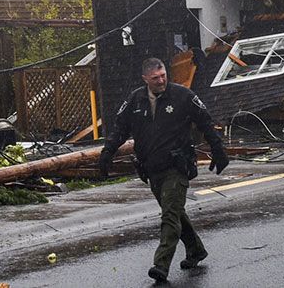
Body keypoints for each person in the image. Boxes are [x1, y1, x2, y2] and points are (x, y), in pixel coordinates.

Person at [98, 57, 229, 283]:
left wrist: (218, 149)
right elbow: (120, 129)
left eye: (163, 76)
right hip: (151, 168)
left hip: (177, 166)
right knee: (175, 212)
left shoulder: (183, 96)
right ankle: (196, 249)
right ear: (145, 79)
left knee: (169, 215)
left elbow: (206, 122)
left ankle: (161, 265)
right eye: (155, 78)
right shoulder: (135, 101)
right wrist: (106, 154)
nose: (161, 81)